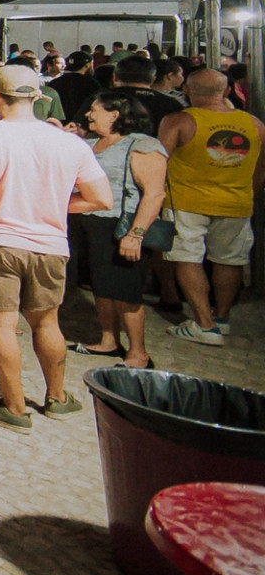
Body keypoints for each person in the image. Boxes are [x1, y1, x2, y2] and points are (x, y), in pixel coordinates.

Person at [0, 65, 111, 431]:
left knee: (1, 325)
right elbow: (102, 199)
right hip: (49, 243)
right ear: (37, 98)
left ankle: (14, 407)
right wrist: (50, 202)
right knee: (47, 322)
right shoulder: (70, 142)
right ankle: (57, 397)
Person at [157, 67, 261, 345]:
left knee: (187, 257)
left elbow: (159, 162)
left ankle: (204, 323)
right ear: (226, 91)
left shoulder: (178, 120)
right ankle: (222, 318)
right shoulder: (254, 124)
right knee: (230, 260)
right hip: (237, 202)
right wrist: (248, 192)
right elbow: (260, 169)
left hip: (186, 201)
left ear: (187, 91)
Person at [71, 91, 166, 370]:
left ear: (115, 115)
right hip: (91, 224)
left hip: (120, 226)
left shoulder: (142, 145)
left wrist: (135, 235)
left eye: (94, 110)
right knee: (102, 286)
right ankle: (108, 341)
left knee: (125, 291)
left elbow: (154, 195)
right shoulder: (93, 143)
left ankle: (138, 353)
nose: (88, 115)